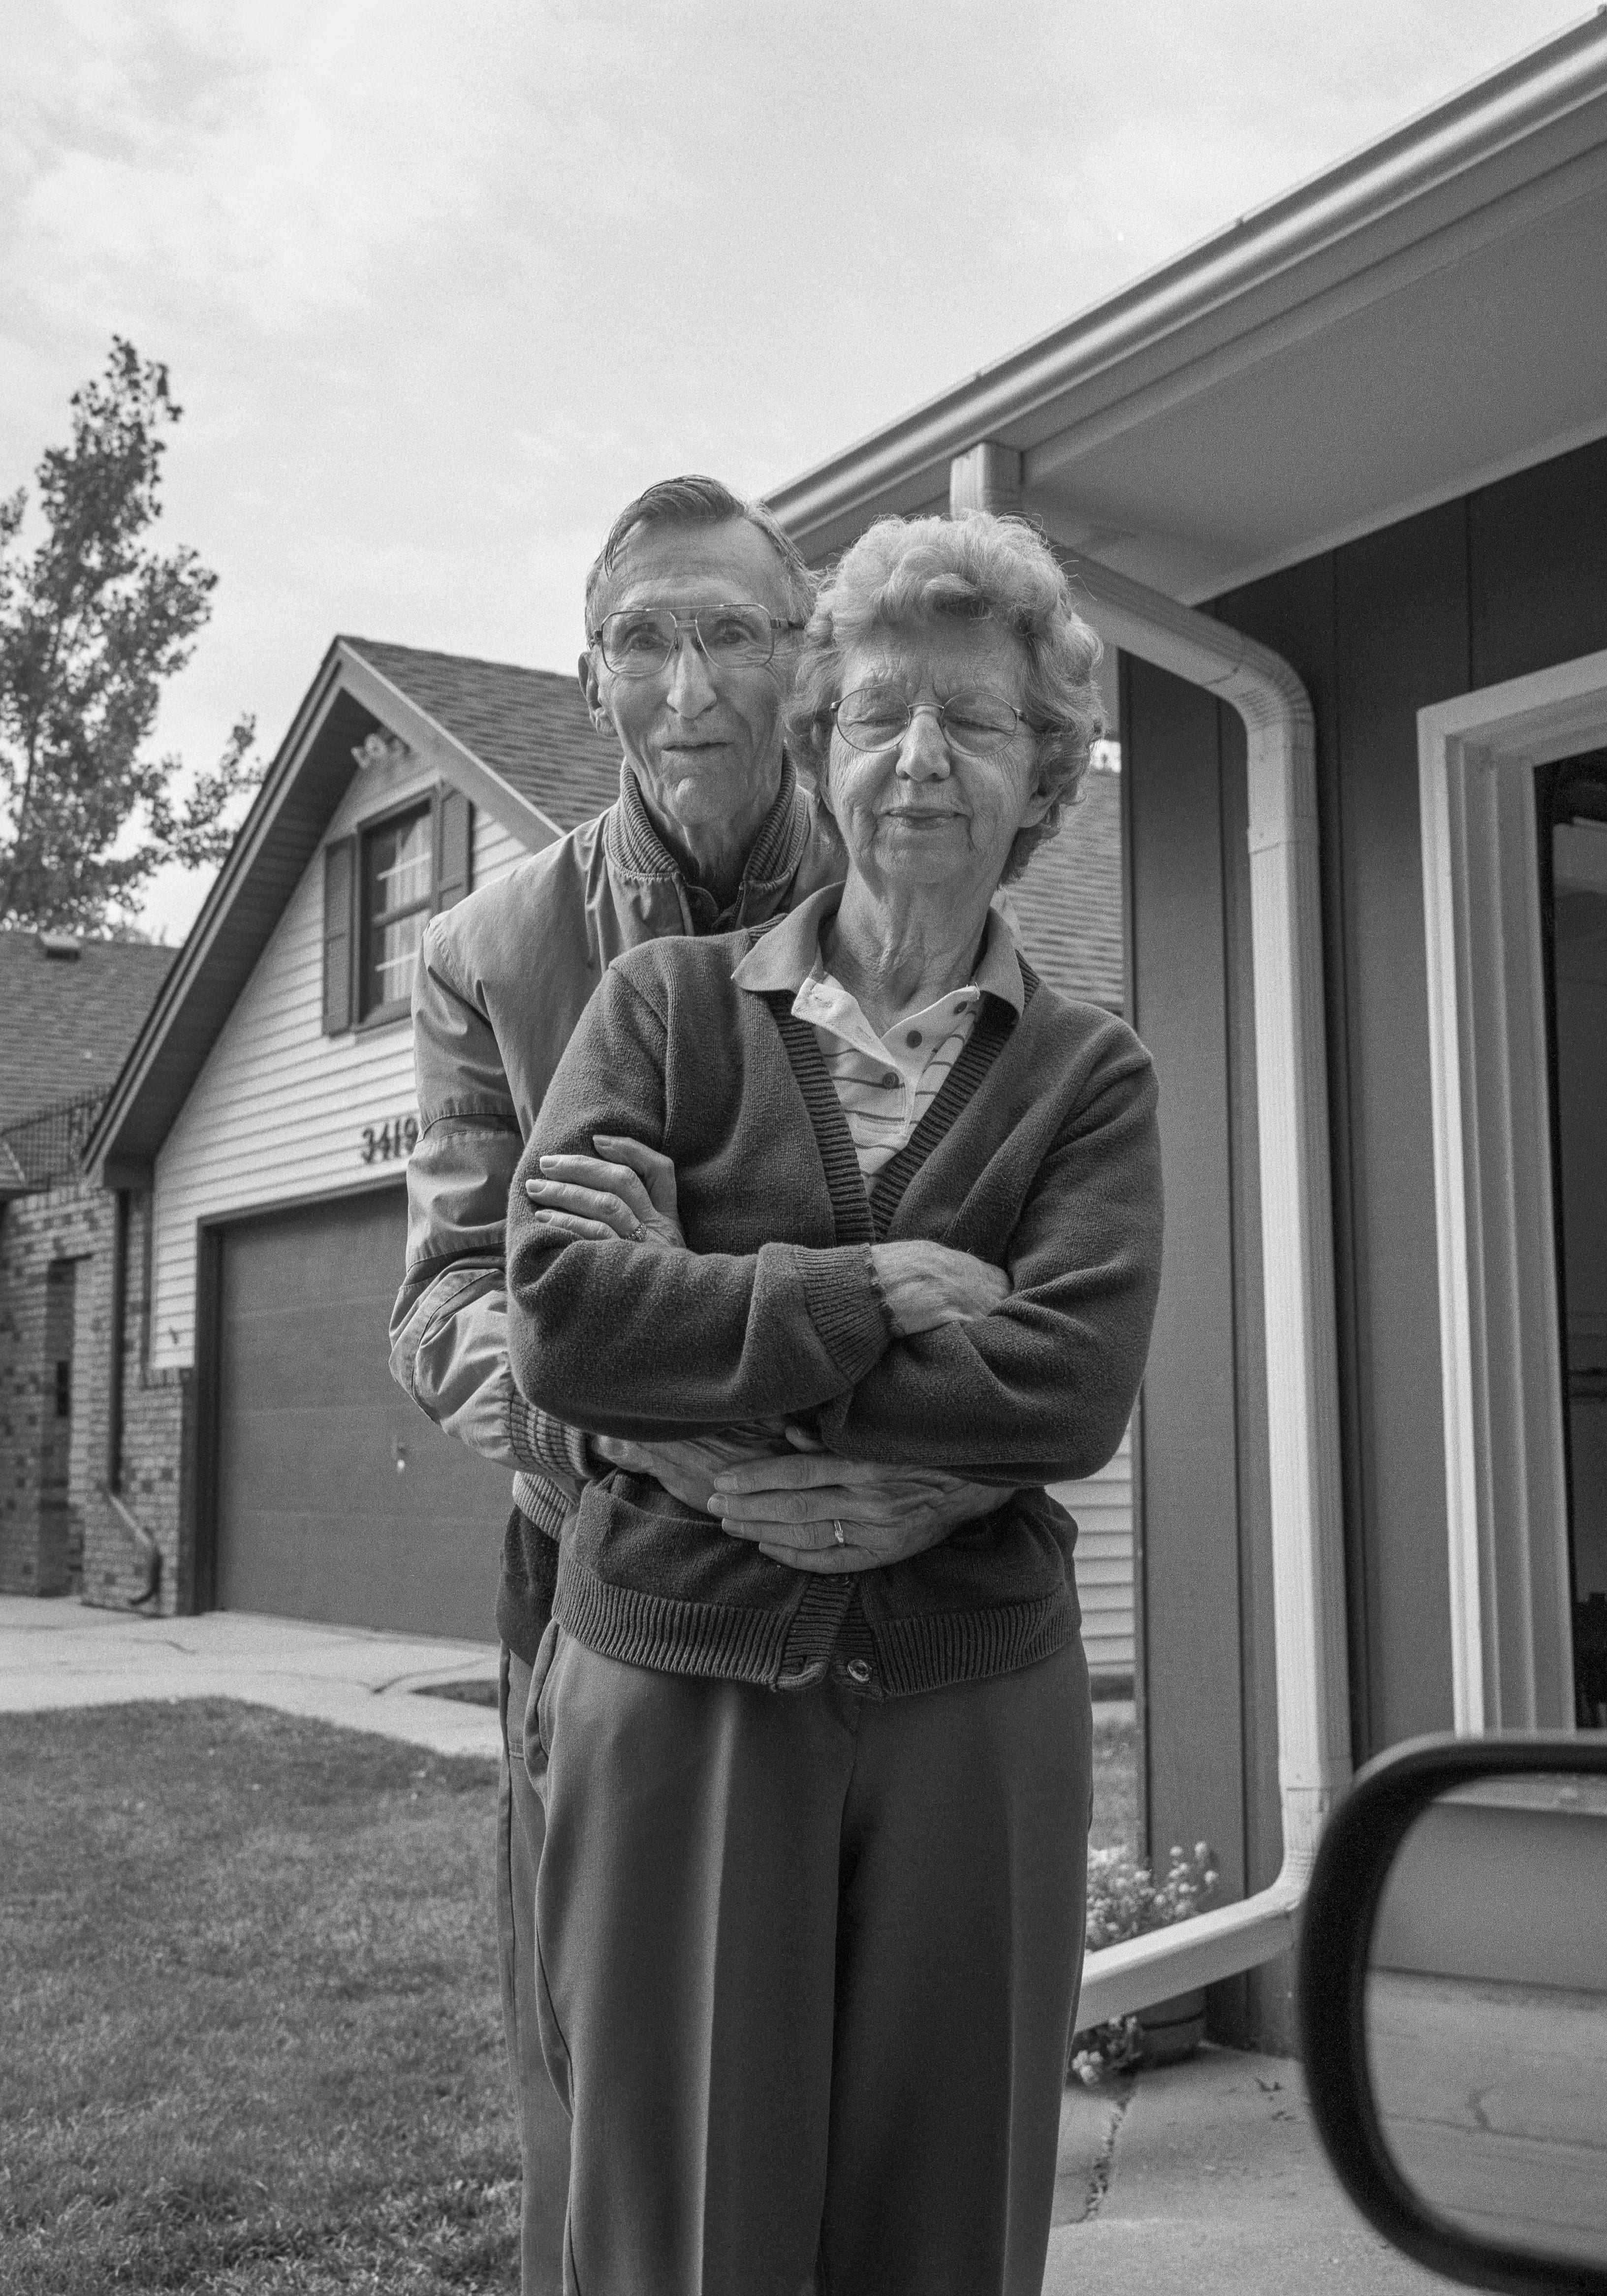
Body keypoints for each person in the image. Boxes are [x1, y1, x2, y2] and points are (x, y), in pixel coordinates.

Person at [508, 509, 1165, 2295]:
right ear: (819, 746)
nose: (919, 758)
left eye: (975, 719)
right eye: (876, 714)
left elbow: (1068, 1383)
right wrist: (869, 1294)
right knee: (682, 2227)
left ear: (1046, 772)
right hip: (680, 1677)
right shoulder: (661, 1008)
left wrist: (708, 1314)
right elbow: (565, 1317)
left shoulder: (1089, 1075)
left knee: (943, 2224)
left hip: (974, 1696)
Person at [387, 476, 1003, 2296]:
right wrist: (642, 1414)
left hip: (904, 1571)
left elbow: (1003, 1266)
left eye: (731, 632)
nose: (688, 686)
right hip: (604, 1586)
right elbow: (460, 1295)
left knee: (905, 2112)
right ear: (586, 673)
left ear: (803, 657)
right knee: (620, 2121)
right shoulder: (487, 950)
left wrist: (665, 1296)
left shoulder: (918, 878)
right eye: (642, 640)